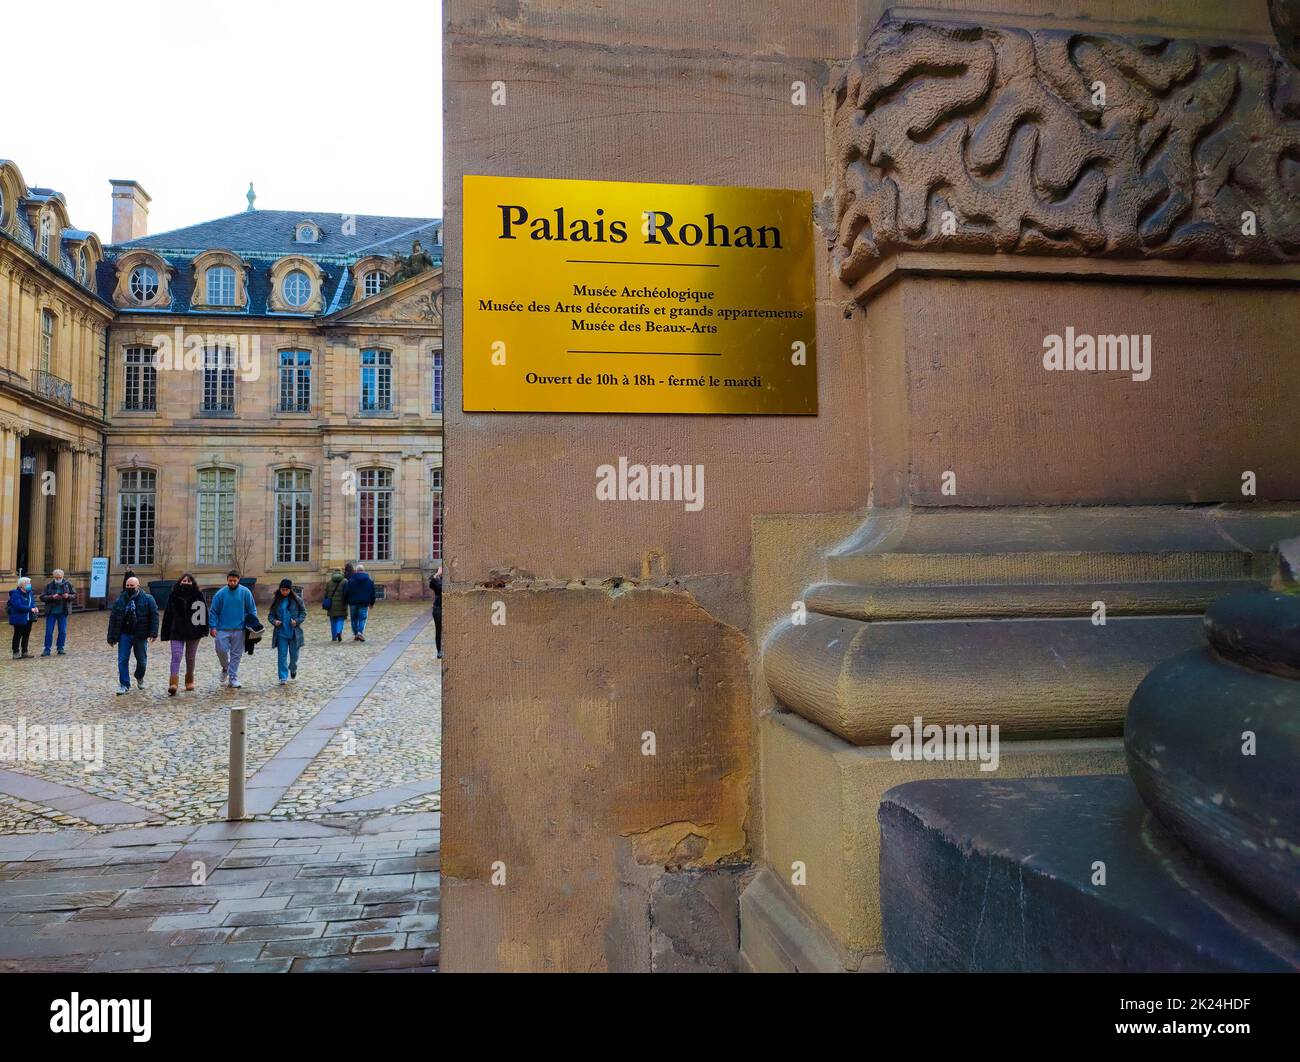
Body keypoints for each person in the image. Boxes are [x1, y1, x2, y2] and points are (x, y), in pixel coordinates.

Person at [106, 576, 158, 694]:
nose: (129, 587)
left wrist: (153, 633)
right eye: (127, 586)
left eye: (132, 586)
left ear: (138, 586)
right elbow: (113, 619)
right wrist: (111, 637)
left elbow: (154, 616)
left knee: (142, 661)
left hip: (140, 634)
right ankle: (124, 684)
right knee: (122, 660)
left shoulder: (148, 599)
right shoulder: (120, 600)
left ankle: (139, 676)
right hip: (124, 634)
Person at [209, 571, 258, 689]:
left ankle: (233, 677)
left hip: (240, 628)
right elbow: (213, 611)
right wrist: (213, 626)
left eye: (234, 581)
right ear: (227, 580)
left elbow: (252, 610)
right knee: (220, 649)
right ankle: (225, 667)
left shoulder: (245, 592)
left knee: (236, 654)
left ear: (238, 580)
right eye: (230, 580)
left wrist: (253, 624)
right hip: (222, 628)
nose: (232, 583)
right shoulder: (220, 594)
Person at [161, 573, 208, 695]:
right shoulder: (173, 595)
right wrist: (165, 632)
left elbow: (203, 613)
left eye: (188, 581)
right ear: (180, 582)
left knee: (190, 657)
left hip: (194, 631)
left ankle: (189, 679)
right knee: (176, 655)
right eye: (184, 581)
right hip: (176, 631)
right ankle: (173, 683)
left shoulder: (198, 595)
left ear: (193, 583)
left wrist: (204, 629)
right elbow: (168, 614)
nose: (186, 583)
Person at [269, 578, 306, 685]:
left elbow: (303, 613)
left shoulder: (297, 600)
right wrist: (274, 621)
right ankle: (283, 676)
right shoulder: (276, 600)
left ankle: (293, 668)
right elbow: (270, 615)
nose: (284, 592)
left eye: (286, 590)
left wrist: (297, 621)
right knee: (282, 655)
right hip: (281, 633)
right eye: (282, 589)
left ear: (290, 590)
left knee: (294, 656)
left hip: (294, 633)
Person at [39, 568, 76, 656]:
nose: (58, 579)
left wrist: (68, 596)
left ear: (63, 576)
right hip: (51, 611)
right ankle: (47, 649)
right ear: (54, 577)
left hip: (63, 611)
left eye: (60, 577)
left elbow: (74, 595)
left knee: (62, 631)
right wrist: (52, 597)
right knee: (49, 631)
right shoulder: (49, 585)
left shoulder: (68, 584)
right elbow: (42, 597)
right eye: (56, 577)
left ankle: (60, 648)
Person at [7, 577, 39, 660]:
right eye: (27, 583)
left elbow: (32, 603)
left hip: (29, 618)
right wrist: (30, 609)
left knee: (26, 635)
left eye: (29, 583)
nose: (29, 585)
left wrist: (35, 608)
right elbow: (18, 606)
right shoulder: (15, 594)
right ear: (22, 585)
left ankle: (25, 652)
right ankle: (16, 653)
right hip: (19, 618)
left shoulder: (30, 593)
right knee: (18, 635)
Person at [344, 562, 376, 642]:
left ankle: (356, 634)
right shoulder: (369, 580)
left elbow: (346, 592)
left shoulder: (351, 580)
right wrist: (372, 603)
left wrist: (346, 601)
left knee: (354, 618)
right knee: (362, 618)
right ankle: (359, 632)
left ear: (356, 571)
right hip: (364, 602)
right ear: (364, 570)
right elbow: (372, 593)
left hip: (353, 603)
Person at [323, 568, 348, 641]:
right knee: (340, 619)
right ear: (341, 573)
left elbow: (326, 594)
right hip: (342, 604)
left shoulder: (329, 582)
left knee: (333, 621)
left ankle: (334, 637)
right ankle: (338, 632)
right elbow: (347, 593)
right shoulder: (345, 581)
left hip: (331, 605)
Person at [429, 566, 443, 659]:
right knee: (438, 631)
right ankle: (439, 651)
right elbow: (431, 584)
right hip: (438, 608)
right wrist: (437, 574)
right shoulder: (436, 581)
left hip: (449, 608)